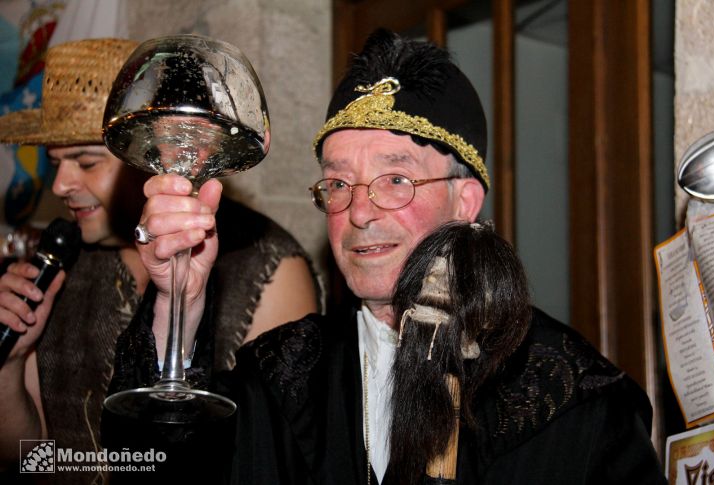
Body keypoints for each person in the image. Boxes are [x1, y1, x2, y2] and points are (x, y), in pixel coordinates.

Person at [110, 29, 665, 484]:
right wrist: (175, 303)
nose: (359, 213)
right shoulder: (278, 376)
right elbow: (150, 466)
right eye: (338, 184)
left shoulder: (576, 397)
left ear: (465, 200)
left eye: (395, 179)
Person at [0, 37, 320, 479]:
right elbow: (25, 457)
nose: (60, 185)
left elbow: (277, 458)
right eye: (55, 163)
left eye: (86, 161)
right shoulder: (62, 263)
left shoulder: (265, 265)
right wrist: (10, 362)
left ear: (155, 152)